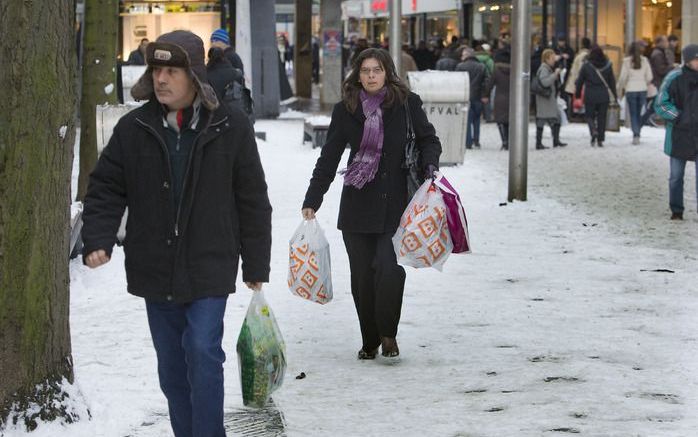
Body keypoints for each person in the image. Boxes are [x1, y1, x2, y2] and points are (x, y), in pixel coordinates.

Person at [81, 30, 272, 437]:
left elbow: (252, 197)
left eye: (171, 70)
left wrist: (256, 262)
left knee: (202, 351)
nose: (161, 79)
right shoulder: (134, 128)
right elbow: (106, 187)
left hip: (210, 262)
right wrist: (98, 238)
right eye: (157, 70)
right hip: (155, 266)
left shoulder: (231, 126)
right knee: (171, 366)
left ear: (195, 76)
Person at [301, 48, 441, 360]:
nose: (371, 76)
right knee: (363, 277)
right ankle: (370, 338)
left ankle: (388, 333)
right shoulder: (346, 109)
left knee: (389, 270)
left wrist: (430, 167)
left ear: (387, 72)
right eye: (365, 71)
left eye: (377, 70)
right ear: (358, 75)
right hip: (358, 203)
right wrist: (314, 197)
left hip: (396, 203)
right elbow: (330, 156)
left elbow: (429, 140)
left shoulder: (406, 104)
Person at [655, 44, 698, 221]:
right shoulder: (674, 77)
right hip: (679, 135)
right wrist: (678, 116)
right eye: (696, 59)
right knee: (676, 177)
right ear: (688, 60)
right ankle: (676, 210)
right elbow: (660, 104)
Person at [575, 45, 617, 147]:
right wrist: (615, 95)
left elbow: (580, 81)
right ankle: (600, 139)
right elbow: (612, 82)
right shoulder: (607, 65)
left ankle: (593, 131)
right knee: (602, 117)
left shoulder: (586, 66)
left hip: (590, 95)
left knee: (589, 116)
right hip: (603, 95)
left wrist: (577, 94)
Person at [617, 41, 654, 144]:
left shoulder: (626, 61)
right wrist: (644, 82)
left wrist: (621, 87)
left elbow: (623, 77)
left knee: (633, 113)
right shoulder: (645, 61)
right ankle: (638, 130)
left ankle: (636, 134)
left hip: (630, 89)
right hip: (642, 89)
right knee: (639, 112)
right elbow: (649, 76)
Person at [456, 48, 491, 149]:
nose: (461, 57)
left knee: (467, 119)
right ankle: (476, 140)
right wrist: (485, 94)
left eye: (463, 55)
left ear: (466, 55)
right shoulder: (481, 66)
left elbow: (457, 81)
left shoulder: (460, 66)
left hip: (465, 96)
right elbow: (487, 81)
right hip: (478, 96)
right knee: (476, 119)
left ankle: (468, 142)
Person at [534, 49, 565, 149]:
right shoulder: (544, 69)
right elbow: (545, 82)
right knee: (546, 119)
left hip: (548, 99)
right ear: (547, 59)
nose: (554, 60)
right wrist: (554, 75)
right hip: (545, 99)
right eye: (552, 58)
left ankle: (554, 141)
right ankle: (542, 143)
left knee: (554, 118)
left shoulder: (547, 68)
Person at [643, 35, 673, 126]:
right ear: (660, 43)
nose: (667, 43)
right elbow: (661, 70)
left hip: (658, 82)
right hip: (658, 82)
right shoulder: (658, 54)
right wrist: (672, 67)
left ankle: (646, 120)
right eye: (665, 41)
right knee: (657, 104)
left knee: (656, 103)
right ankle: (644, 120)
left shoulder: (659, 52)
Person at [564, 37, 591, 115]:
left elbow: (579, 70)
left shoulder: (581, 55)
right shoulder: (586, 55)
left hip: (576, 80)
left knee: (577, 98)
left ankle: (575, 114)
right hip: (579, 81)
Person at [492, 46, 511, 150]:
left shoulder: (496, 70)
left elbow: (490, 83)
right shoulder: (514, 70)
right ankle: (508, 141)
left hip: (500, 97)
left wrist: (485, 95)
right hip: (512, 99)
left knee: (500, 121)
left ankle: (504, 141)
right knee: (508, 121)